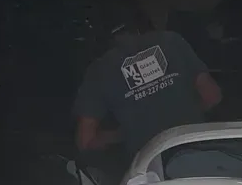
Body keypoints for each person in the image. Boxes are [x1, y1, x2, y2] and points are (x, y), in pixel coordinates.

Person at [73, 16, 222, 171]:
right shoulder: (172, 41)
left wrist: (123, 133)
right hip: (200, 154)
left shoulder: (100, 70)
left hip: (153, 171)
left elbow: (86, 141)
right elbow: (212, 96)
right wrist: (183, 114)